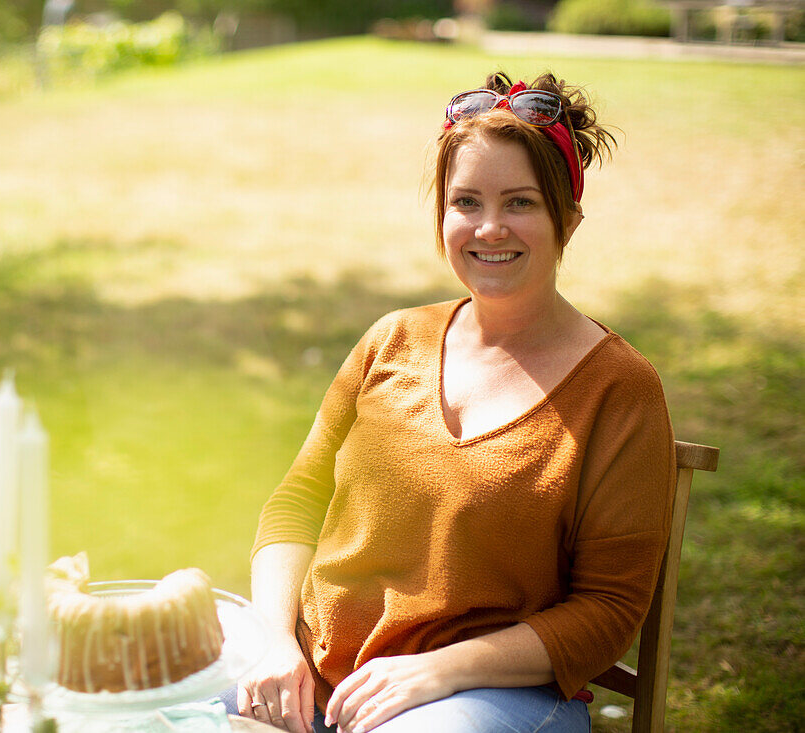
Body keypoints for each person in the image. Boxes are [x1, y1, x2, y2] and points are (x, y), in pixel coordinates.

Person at [226, 72, 676, 732]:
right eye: (466, 201)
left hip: (483, 696)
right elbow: (296, 503)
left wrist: (441, 669)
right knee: (134, 694)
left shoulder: (620, 389)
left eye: (520, 203)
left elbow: (607, 611)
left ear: (567, 219)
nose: (489, 228)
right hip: (311, 678)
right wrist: (273, 641)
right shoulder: (392, 339)